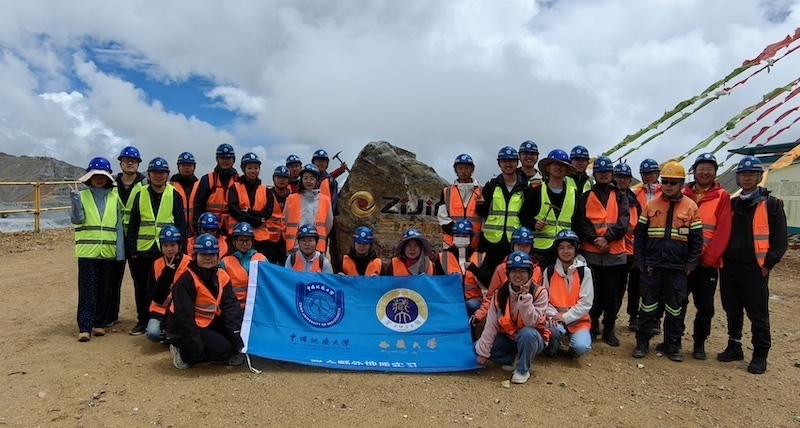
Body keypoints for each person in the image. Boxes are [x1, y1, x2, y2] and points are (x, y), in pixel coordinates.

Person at [717, 156, 787, 374]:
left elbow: (780, 240)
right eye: (743, 174)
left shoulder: (771, 205)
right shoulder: (732, 204)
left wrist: (767, 265)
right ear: (738, 178)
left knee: (757, 313)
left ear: (758, 177)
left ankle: (760, 354)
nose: (747, 178)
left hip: (755, 268)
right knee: (732, 309)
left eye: (751, 174)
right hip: (730, 266)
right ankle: (734, 345)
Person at [632, 161, 702, 362]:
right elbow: (640, 236)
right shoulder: (651, 205)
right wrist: (641, 261)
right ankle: (642, 343)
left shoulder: (691, 206)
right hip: (652, 266)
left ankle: (673, 345)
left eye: (673, 182)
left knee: (675, 309)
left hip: (677, 268)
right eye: (665, 182)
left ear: (681, 183)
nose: (668, 186)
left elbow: (696, 240)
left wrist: (691, 264)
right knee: (647, 307)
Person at [676, 153, 731, 360]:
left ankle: (699, 343)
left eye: (709, 169)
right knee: (677, 302)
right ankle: (674, 339)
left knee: (705, 306)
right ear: (694, 171)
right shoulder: (683, 193)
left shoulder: (722, 196)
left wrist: (710, 258)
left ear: (715, 172)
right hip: (682, 261)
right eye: (701, 168)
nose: (705, 172)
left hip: (707, 263)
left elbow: (723, 230)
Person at [126, 157, 186, 336]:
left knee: (167, 286)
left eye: (162, 173)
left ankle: (166, 319)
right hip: (142, 250)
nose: (158, 176)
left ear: (167, 175)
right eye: (154, 172)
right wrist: (132, 249)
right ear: (149, 174)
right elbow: (133, 224)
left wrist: (180, 249)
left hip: (166, 251)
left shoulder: (174, 194)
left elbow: (180, 224)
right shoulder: (140, 194)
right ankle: (143, 320)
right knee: (141, 287)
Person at [165, 234, 244, 369]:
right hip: (182, 329)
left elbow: (231, 308)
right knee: (224, 352)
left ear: (217, 256)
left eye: (212, 254)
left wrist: (237, 341)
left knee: (235, 343)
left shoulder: (222, 276)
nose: (208, 258)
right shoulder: (186, 281)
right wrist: (196, 350)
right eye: (203, 254)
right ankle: (182, 352)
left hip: (206, 323)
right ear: (195, 256)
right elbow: (184, 319)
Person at [576, 156, 629, 346]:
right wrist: (595, 240)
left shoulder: (621, 196)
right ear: (595, 174)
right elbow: (582, 222)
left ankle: (609, 328)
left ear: (612, 174)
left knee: (612, 295)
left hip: (614, 254)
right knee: (592, 293)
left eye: (607, 172)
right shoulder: (585, 197)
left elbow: (624, 222)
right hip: (591, 254)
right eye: (600, 172)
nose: (604, 175)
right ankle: (591, 326)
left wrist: (607, 238)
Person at [70, 157, 124, 341]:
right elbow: (77, 219)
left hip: (108, 252)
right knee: (87, 291)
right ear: (89, 178)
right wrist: (75, 201)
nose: (99, 179)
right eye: (96, 176)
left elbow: (118, 227)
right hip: (88, 252)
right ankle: (85, 327)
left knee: (104, 290)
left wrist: (120, 253)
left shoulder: (114, 198)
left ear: (108, 178)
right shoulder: (82, 196)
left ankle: (99, 324)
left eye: (103, 176)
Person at [474, 251, 549, 385]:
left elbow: (531, 322)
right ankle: (513, 358)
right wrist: (483, 353)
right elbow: (491, 325)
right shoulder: (499, 294)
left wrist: (525, 298)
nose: (517, 275)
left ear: (530, 274)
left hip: (532, 338)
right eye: (513, 271)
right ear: (508, 274)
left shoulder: (540, 292)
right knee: (477, 348)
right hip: (508, 337)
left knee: (527, 334)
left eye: (522, 271)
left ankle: (522, 369)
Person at [519, 149, 579, 268]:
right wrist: (534, 224)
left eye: (562, 165)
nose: (558, 167)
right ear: (548, 168)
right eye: (555, 164)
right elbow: (523, 215)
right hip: (540, 250)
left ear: (566, 170)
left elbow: (578, 222)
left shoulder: (574, 193)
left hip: (565, 250)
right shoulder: (535, 190)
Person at [108, 145, 146, 327]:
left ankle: (143, 317)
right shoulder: (111, 185)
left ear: (138, 164)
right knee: (112, 279)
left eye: (133, 161)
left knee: (140, 281)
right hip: (115, 239)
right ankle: (110, 315)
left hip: (136, 239)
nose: (130, 163)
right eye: (126, 160)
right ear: (120, 163)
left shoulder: (144, 185)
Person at [473, 227, 539, 325]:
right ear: (512, 246)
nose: (522, 248)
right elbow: (491, 296)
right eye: (519, 245)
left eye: (526, 245)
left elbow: (539, 298)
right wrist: (479, 315)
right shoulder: (501, 268)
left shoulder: (537, 270)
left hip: (527, 318)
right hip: (505, 318)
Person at [544, 230, 594, 358]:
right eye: (561, 247)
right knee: (554, 330)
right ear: (557, 250)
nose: (565, 251)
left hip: (578, 321)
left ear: (576, 249)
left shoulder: (584, 272)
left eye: (570, 247)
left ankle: (573, 352)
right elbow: (544, 300)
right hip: (554, 318)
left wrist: (566, 317)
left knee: (581, 346)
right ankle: (552, 348)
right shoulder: (549, 271)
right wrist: (554, 315)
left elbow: (586, 303)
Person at [476, 146, 526, 272]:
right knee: (490, 277)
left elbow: (527, 214)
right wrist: (480, 205)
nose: (508, 164)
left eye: (511, 161)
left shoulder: (525, 187)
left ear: (517, 163)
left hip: (514, 242)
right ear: (499, 164)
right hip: (491, 242)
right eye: (504, 161)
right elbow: (482, 213)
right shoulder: (491, 185)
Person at [629, 157, 664, 334]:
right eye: (644, 173)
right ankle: (633, 316)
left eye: (651, 173)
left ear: (657, 174)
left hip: (659, 243)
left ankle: (656, 318)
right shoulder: (634, 194)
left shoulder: (665, 193)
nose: (648, 176)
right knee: (635, 282)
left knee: (659, 283)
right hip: (640, 242)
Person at [145, 225, 191, 343]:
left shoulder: (189, 263)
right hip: (160, 310)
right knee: (152, 333)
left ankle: (172, 335)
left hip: (180, 311)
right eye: (165, 245)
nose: (169, 249)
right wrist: (166, 274)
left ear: (179, 245)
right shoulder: (156, 264)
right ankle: (169, 336)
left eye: (172, 245)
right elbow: (151, 293)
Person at [612, 163, 643, 333]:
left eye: (624, 178)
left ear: (630, 180)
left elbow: (639, 228)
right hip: (614, 249)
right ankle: (608, 318)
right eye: (618, 177)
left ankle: (632, 316)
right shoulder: (609, 197)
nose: (621, 180)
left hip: (631, 251)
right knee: (615, 287)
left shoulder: (635, 202)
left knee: (632, 287)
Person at [434, 219, 485, 316]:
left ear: (471, 238)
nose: (461, 238)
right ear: (453, 237)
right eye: (457, 236)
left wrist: (474, 269)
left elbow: (486, 283)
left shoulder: (480, 256)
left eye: (464, 236)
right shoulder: (443, 256)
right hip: (450, 299)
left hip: (473, 299)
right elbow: (438, 283)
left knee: (471, 305)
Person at [227, 152, 274, 255]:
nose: (253, 171)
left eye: (256, 168)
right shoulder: (235, 188)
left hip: (260, 239)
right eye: (249, 168)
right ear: (243, 169)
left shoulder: (265, 190)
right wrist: (255, 220)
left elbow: (267, 213)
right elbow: (234, 210)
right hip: (239, 237)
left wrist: (249, 212)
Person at [283, 164, 333, 255]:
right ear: (301, 179)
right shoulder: (291, 199)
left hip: (317, 246)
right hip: (295, 245)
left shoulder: (325, 200)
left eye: (312, 178)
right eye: (305, 178)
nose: (308, 181)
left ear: (317, 180)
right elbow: (285, 221)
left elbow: (328, 224)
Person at [437, 153, 482, 249]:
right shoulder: (447, 191)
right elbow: (442, 216)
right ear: (455, 170)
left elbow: (484, 217)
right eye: (460, 168)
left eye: (466, 168)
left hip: (475, 243)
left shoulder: (481, 191)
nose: (463, 171)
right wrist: (456, 231)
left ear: (472, 169)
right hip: (451, 243)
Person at [220, 222, 267, 311]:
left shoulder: (262, 259)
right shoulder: (225, 262)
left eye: (247, 240)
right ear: (234, 241)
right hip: (234, 308)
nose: (244, 244)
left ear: (252, 241)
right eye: (241, 240)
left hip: (257, 307)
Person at [193, 143, 238, 234]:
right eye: (222, 158)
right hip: (211, 228)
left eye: (228, 158)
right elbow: (199, 205)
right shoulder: (207, 179)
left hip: (232, 229)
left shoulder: (238, 180)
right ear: (217, 159)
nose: (225, 161)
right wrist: (197, 227)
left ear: (233, 160)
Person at [263, 166, 290, 264]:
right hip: (269, 240)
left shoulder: (293, 197)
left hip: (287, 240)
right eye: (279, 177)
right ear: (273, 178)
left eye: (284, 177)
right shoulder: (266, 194)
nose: (281, 180)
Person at [170, 152, 199, 234]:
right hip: (175, 229)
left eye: (189, 165)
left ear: (194, 167)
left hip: (194, 230)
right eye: (183, 165)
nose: (186, 168)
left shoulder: (199, 185)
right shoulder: (170, 186)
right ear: (178, 167)